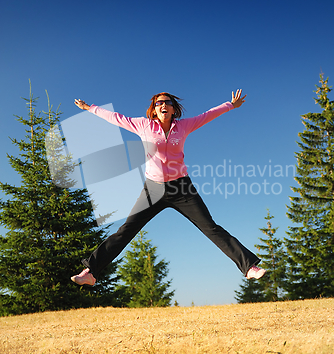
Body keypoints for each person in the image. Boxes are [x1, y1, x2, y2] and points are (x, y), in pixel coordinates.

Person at [71, 90, 266, 286]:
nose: (163, 105)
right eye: (159, 103)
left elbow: (207, 115)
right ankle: (91, 271)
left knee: (211, 228)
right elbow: (115, 118)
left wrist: (230, 105)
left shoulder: (183, 126)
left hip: (181, 188)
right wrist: (89, 108)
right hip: (153, 189)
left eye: (168, 102)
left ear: (173, 109)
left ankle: (249, 266)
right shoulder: (143, 125)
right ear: (154, 110)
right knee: (126, 230)